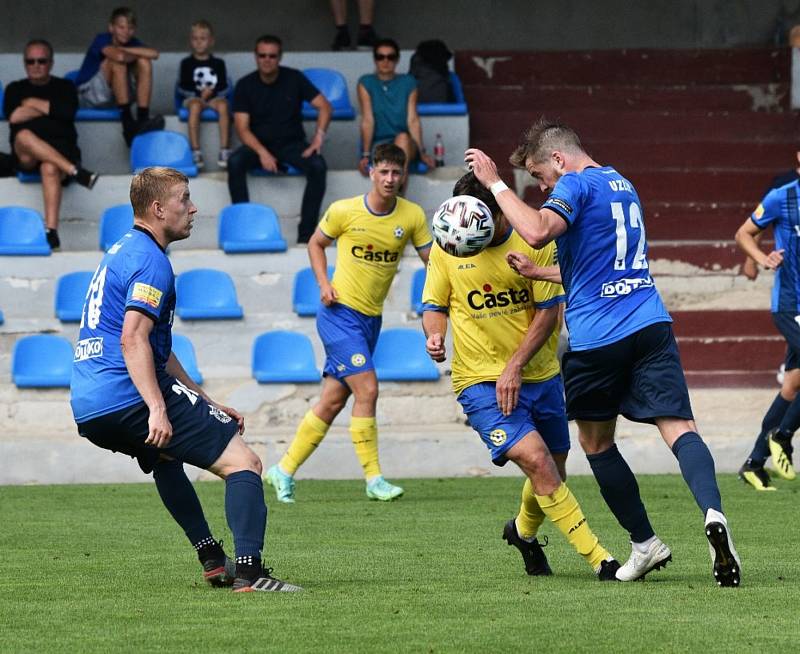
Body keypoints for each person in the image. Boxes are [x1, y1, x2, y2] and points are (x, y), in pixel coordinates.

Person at [464, 118, 742, 588]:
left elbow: (536, 229)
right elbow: (597, 264)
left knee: (596, 444)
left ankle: (645, 543)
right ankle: (713, 513)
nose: (542, 186)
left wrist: (495, 183)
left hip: (598, 339)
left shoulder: (573, 182)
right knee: (680, 428)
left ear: (558, 159)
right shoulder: (621, 182)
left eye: (539, 176)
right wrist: (540, 273)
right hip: (650, 323)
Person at [69, 167, 300, 593]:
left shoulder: (121, 249)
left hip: (89, 402)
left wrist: (205, 400)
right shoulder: (151, 262)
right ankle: (250, 573)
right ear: (158, 209)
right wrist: (157, 407)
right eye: (184, 199)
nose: (193, 209)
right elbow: (133, 339)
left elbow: (156, 346)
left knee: (164, 456)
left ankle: (213, 558)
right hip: (127, 392)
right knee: (243, 463)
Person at [422, 173, 620, 581]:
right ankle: (602, 559)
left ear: (500, 211)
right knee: (536, 460)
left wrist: (515, 365)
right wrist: (435, 335)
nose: (466, 233)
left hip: (540, 375)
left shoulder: (536, 242)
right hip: (479, 381)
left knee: (554, 467)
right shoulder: (451, 246)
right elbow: (434, 304)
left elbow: (549, 315)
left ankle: (523, 533)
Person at [266, 144, 432, 502]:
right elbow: (315, 243)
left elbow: (432, 261)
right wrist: (324, 284)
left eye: (396, 173)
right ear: (370, 172)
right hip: (339, 315)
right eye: (383, 171)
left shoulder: (413, 216)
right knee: (368, 390)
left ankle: (282, 470)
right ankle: (374, 480)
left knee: (331, 401)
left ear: (403, 176)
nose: (389, 179)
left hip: (371, 320)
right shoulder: (345, 210)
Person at [228, 34, 331, 244]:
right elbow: (242, 129)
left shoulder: (294, 78)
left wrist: (318, 138)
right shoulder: (245, 85)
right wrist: (263, 153)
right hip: (258, 146)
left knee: (318, 165)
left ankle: (306, 235)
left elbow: (325, 107)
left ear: (280, 57)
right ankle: (245, 228)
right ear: (255, 57)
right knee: (235, 162)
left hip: (291, 144)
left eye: (272, 56)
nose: (267, 59)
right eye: (262, 55)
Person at [734, 177, 800, 489]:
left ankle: (754, 462)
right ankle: (782, 436)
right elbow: (745, 234)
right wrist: (760, 259)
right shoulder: (781, 196)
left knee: (792, 384)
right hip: (791, 304)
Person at [3, 39, 98, 250]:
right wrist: (50, 108)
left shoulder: (64, 87)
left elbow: (66, 112)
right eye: (30, 61)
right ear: (24, 63)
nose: (36, 65)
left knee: (49, 166)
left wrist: (31, 104)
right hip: (26, 155)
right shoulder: (14, 88)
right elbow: (15, 116)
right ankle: (75, 172)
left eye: (41, 61)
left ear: (51, 63)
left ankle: (51, 232)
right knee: (24, 134)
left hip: (61, 152)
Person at [74, 6, 164, 146]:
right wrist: (130, 52)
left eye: (130, 28)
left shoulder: (132, 43)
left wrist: (124, 48)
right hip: (91, 96)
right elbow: (120, 57)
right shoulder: (101, 39)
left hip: (117, 96)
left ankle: (142, 119)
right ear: (111, 28)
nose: (126, 32)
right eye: (121, 27)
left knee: (144, 62)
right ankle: (127, 124)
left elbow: (154, 54)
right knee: (117, 63)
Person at [357, 38, 436, 192]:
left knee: (403, 138)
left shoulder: (408, 82)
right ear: (375, 59)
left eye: (390, 57)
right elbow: (367, 120)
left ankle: (397, 197)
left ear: (397, 59)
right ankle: (395, 200)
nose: (385, 61)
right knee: (397, 145)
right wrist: (365, 154)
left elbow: (413, 119)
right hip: (379, 145)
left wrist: (422, 152)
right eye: (380, 57)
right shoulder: (365, 82)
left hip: (405, 144)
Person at [176, 19, 231, 170]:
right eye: (195, 39)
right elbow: (182, 86)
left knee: (224, 105)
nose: (199, 42)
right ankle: (196, 151)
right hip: (193, 98)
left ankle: (225, 150)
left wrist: (212, 92)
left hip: (214, 98)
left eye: (203, 39)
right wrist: (198, 94)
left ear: (211, 41)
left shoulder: (218, 63)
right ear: (190, 41)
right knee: (194, 106)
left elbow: (225, 86)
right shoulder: (186, 63)